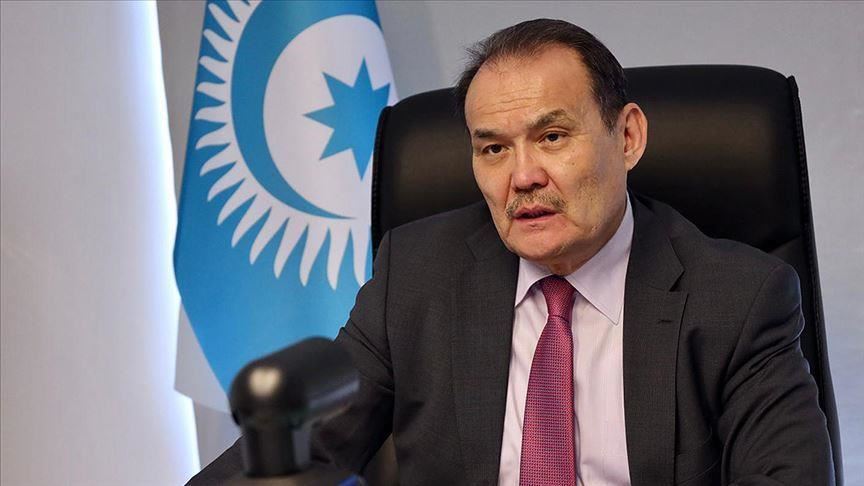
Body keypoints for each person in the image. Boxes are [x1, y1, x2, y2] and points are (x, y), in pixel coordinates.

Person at [314, 19, 834, 485]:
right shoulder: (415, 274)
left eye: (552, 137)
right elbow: (302, 455)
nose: (523, 177)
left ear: (627, 137)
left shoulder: (738, 298)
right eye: (494, 149)